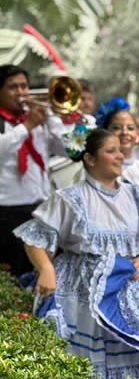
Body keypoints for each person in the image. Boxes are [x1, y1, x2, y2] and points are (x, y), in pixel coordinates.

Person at [13, 128, 139, 379]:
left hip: (133, 282)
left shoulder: (137, 194)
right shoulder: (70, 198)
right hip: (84, 289)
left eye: (119, 150)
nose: (119, 156)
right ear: (90, 158)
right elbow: (34, 238)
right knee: (89, 364)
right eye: (110, 151)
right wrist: (46, 269)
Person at [0, 64, 66, 277]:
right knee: (15, 276)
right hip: (7, 214)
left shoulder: (40, 120)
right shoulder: (21, 123)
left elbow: (68, 150)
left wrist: (52, 117)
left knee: (44, 276)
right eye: (13, 87)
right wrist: (27, 126)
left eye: (24, 86)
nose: (21, 92)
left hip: (42, 210)